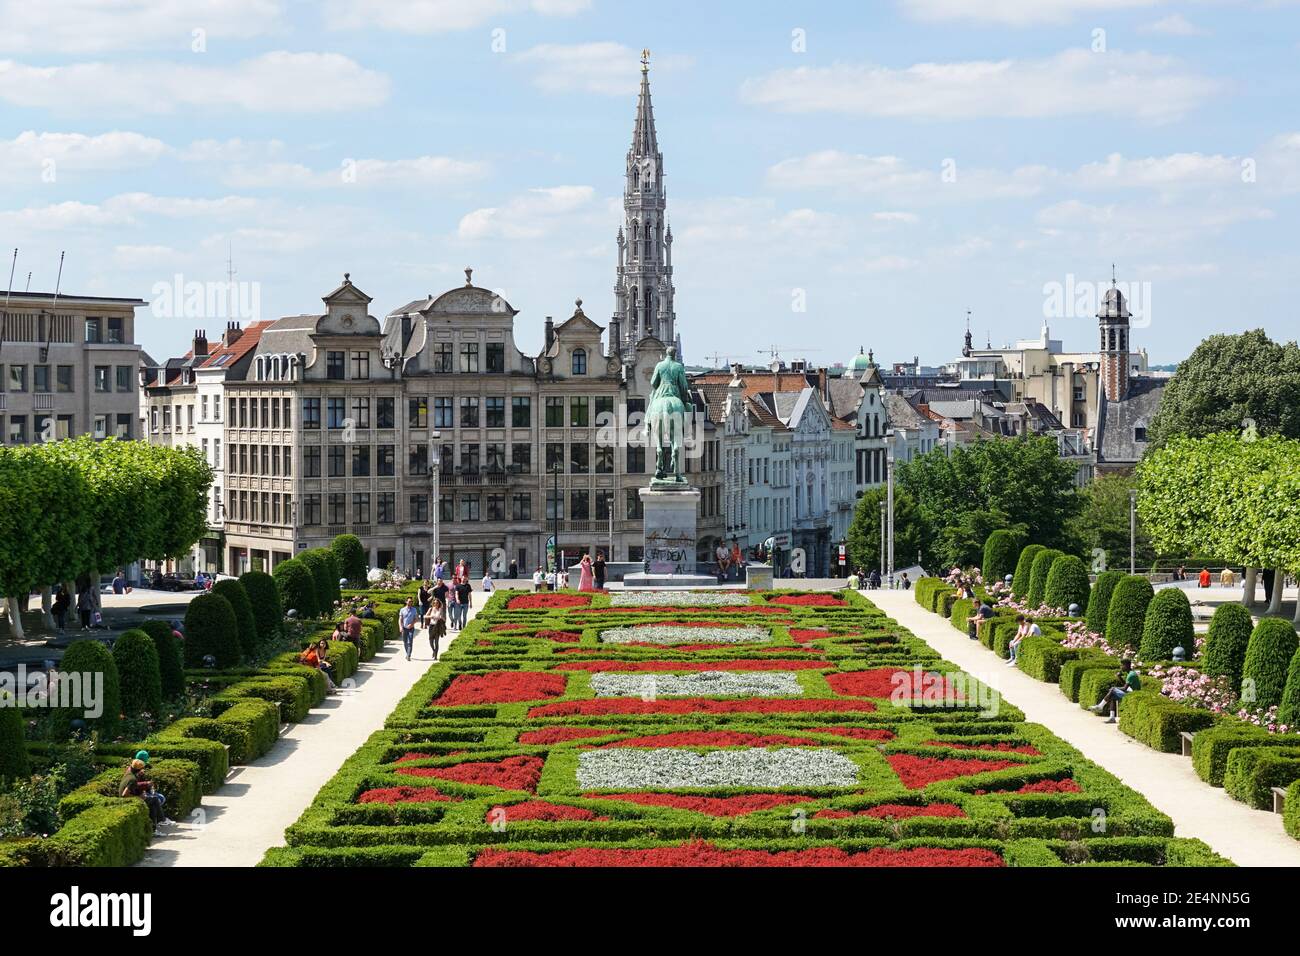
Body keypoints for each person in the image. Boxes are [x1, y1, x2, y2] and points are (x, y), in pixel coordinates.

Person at [120, 756, 166, 833]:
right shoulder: (132, 779)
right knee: (154, 800)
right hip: (128, 801)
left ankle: (155, 828)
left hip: (128, 799)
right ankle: (161, 820)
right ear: (139, 769)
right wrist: (139, 797)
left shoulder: (128, 772)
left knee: (153, 802)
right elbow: (124, 795)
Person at [398, 597, 420, 661]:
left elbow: (416, 619)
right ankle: (407, 653)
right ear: (406, 601)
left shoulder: (414, 610)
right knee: (405, 642)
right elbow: (400, 619)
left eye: (411, 601)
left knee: (410, 642)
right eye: (409, 601)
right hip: (404, 628)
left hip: (411, 628)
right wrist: (400, 627)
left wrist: (412, 624)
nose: (411, 602)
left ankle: (408, 655)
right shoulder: (402, 610)